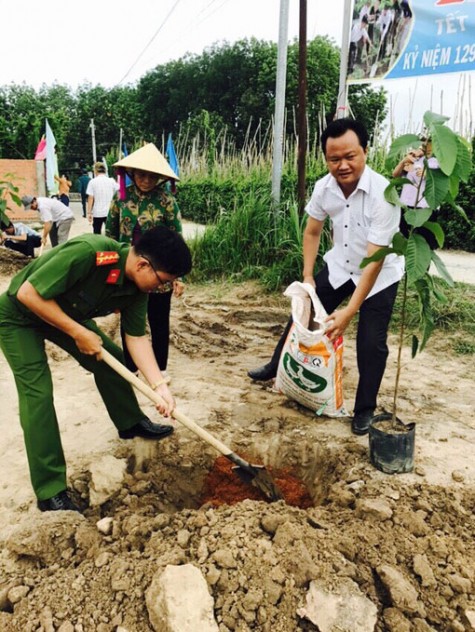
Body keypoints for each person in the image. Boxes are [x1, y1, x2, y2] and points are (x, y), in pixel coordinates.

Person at [0, 226, 192, 512]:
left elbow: (136, 338)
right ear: (143, 264)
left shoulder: (137, 289)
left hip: (64, 314)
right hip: (19, 315)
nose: (162, 288)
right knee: (38, 394)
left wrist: (160, 387)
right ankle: (50, 490)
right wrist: (78, 332)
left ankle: (130, 423)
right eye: (163, 281)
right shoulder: (90, 252)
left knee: (113, 360)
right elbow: (28, 294)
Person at [247, 118, 404, 436]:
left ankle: (364, 410)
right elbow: (312, 231)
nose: (343, 165)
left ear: (365, 152)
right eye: (335, 159)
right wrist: (308, 276)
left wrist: (348, 312)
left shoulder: (382, 196)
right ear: (326, 158)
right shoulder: (324, 188)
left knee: (371, 341)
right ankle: (276, 365)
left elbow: (373, 263)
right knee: (303, 312)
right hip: (340, 266)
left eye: (350, 156)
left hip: (380, 273)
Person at [106, 143, 184, 376]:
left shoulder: (167, 201)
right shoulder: (121, 198)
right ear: (131, 173)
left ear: (159, 178)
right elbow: (110, 234)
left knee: (159, 321)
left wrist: (178, 275)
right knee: (130, 320)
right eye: (141, 175)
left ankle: (159, 367)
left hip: (158, 272)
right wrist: (109, 268)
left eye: (151, 177)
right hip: (129, 269)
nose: (146, 180)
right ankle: (131, 367)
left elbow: (176, 238)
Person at [392, 137, 439, 249]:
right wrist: (404, 160)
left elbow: (438, 179)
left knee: (425, 243)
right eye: (424, 145)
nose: (427, 147)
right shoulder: (413, 159)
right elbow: (395, 174)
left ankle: (422, 265)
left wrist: (426, 173)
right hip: (407, 206)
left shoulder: (437, 162)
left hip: (426, 208)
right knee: (403, 238)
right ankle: (402, 265)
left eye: (430, 145)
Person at [86, 161, 119, 234]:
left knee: (97, 233)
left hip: (97, 212)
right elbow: (118, 192)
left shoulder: (92, 182)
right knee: (111, 232)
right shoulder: (111, 181)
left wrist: (89, 212)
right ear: (105, 170)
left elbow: (90, 197)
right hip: (110, 211)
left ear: (95, 170)